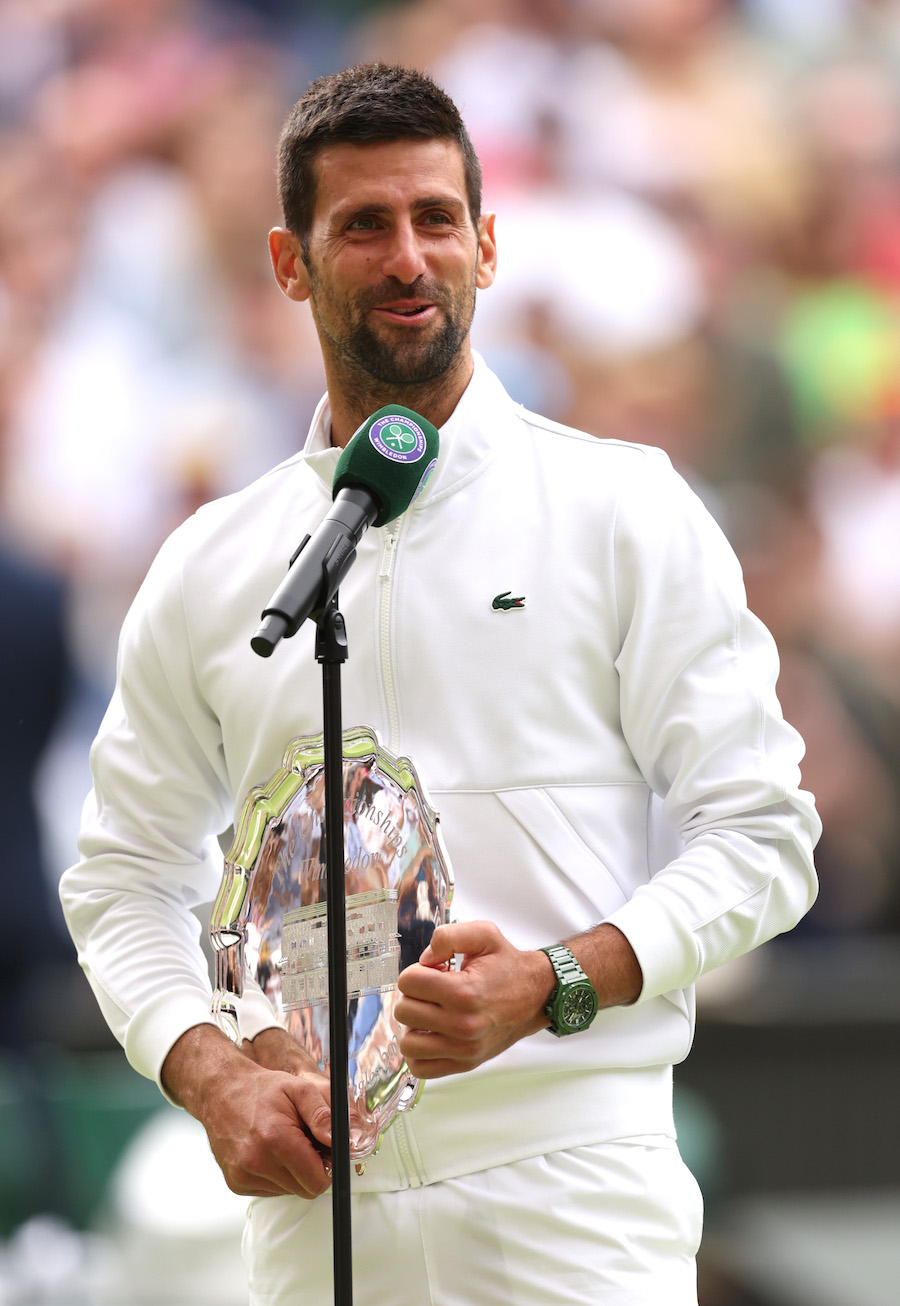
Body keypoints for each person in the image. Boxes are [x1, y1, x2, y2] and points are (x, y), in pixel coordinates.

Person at [60, 63, 821, 1305]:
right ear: (289, 263)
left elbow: (766, 837)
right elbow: (122, 876)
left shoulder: (624, 508)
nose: (408, 256)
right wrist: (217, 1075)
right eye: (363, 224)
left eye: (435, 219)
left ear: (488, 244)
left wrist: (554, 981)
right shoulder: (213, 562)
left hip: (574, 1200)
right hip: (316, 1218)